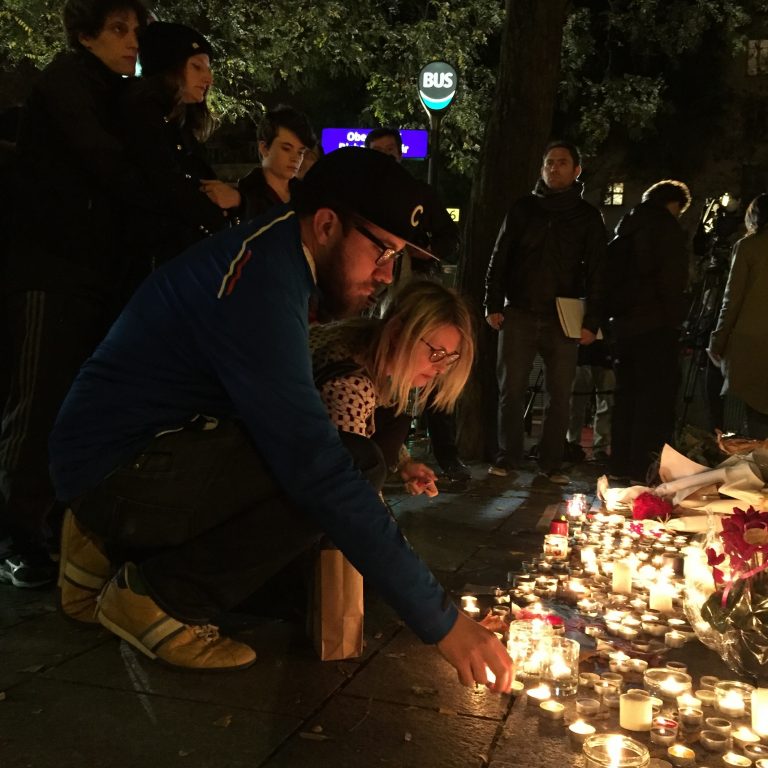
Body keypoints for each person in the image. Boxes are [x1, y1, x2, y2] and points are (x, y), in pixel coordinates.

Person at [50, 147, 513, 689]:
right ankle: (157, 599)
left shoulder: (275, 255)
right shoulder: (261, 286)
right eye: (381, 253)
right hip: (118, 465)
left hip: (110, 454)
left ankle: (94, 549)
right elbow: (317, 465)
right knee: (348, 465)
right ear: (325, 225)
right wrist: (442, 621)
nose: (387, 276)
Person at [0, 0, 150, 589]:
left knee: (69, 406)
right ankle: (16, 534)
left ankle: (48, 529)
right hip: (47, 270)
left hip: (88, 273)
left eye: (137, 30)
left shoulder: (112, 92)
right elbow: (104, 161)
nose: (132, 41)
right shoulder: (68, 82)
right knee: (35, 405)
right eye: (119, 29)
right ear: (86, 33)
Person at [485, 141, 607, 484]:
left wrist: (592, 321)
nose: (554, 168)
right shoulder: (523, 209)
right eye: (549, 163)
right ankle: (509, 456)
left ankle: (550, 462)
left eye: (562, 163)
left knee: (560, 394)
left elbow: (599, 270)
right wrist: (492, 304)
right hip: (520, 310)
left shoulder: (586, 216)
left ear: (576, 170)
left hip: (563, 315)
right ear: (542, 169)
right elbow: (500, 257)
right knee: (511, 388)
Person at [364, 127, 470, 487]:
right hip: (373, 307)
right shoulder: (361, 198)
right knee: (390, 376)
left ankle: (445, 453)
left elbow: (447, 235)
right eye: (375, 152)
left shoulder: (419, 195)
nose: (383, 159)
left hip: (414, 288)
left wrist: (420, 250)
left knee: (425, 372)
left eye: (389, 152)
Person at [311, 280, 474, 497]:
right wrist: (391, 530)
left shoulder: (370, 344)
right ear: (398, 333)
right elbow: (349, 489)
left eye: (450, 358)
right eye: (437, 354)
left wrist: (403, 463)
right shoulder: (350, 385)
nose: (442, 369)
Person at [117, 21, 235, 293]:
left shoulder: (179, 127)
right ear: (169, 68)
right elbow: (166, 186)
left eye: (208, 68)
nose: (208, 78)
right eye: (197, 66)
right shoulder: (143, 115)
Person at [608, 179, 691, 483]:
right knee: (653, 401)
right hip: (656, 325)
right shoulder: (667, 230)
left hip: (625, 326)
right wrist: (675, 318)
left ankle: (619, 463)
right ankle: (642, 468)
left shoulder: (625, 228)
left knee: (626, 397)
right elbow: (671, 281)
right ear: (675, 205)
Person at [708, 193, 768, 439]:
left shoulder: (749, 246)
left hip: (752, 344)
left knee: (754, 419)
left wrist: (717, 341)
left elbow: (731, 301)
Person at [238, 105, 317, 219]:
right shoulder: (246, 196)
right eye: (286, 148)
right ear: (264, 148)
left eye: (300, 152)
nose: (295, 158)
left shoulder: (304, 195)